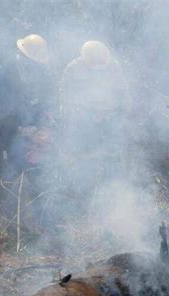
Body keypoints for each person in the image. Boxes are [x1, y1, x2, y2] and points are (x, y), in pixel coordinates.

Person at [60, 40, 132, 191]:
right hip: (85, 122)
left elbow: (123, 93)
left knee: (112, 159)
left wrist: (123, 116)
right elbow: (66, 97)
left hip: (110, 120)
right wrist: (71, 121)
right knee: (86, 159)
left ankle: (113, 192)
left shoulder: (114, 66)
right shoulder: (73, 68)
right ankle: (86, 194)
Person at [0, 34, 56, 180]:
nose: (36, 65)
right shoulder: (5, 75)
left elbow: (48, 97)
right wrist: (20, 129)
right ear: (22, 56)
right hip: (8, 133)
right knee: (10, 176)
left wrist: (46, 117)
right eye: (33, 61)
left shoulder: (42, 72)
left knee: (37, 174)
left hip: (34, 129)